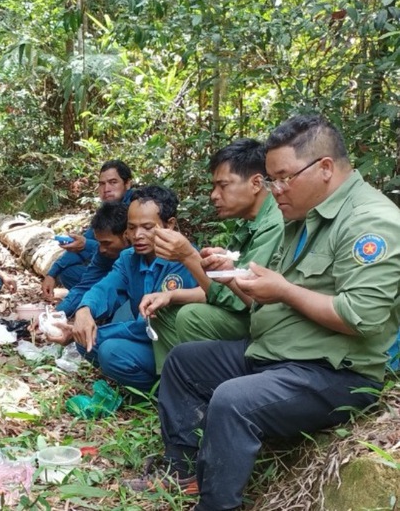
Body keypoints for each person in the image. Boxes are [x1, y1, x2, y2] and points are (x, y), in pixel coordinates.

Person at [128, 115, 400, 511]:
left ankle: (217, 505)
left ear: (324, 168)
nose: (276, 189)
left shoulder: (370, 222)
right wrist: (235, 277)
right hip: (275, 353)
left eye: (284, 177)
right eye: (272, 179)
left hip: (333, 372)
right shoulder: (301, 217)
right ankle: (183, 469)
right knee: (185, 363)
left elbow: (362, 317)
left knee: (232, 400)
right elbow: (265, 293)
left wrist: (284, 291)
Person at [138, 139, 284, 370]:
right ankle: (171, 384)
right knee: (165, 310)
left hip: (271, 321)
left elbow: (238, 300)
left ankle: (206, 389)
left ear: (256, 183)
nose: (214, 195)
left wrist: (188, 256)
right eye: (213, 187)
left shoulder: (274, 223)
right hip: (254, 311)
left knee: (192, 316)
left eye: (222, 185)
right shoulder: (250, 223)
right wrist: (172, 295)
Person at [48, 186, 197, 392]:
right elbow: (105, 287)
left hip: (172, 346)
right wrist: (84, 310)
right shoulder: (129, 258)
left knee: (109, 350)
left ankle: (167, 390)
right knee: (85, 339)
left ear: (169, 225)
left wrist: (88, 332)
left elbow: (149, 326)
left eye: (147, 227)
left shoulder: (184, 261)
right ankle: (149, 383)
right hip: (147, 342)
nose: (138, 235)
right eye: (132, 227)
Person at [42, 160, 134, 296]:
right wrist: (51, 274)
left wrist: (86, 245)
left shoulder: (136, 209)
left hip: (133, 271)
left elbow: (133, 250)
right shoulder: (107, 210)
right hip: (106, 266)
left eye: (113, 182)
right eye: (102, 184)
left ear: (127, 184)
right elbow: (84, 242)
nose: (106, 189)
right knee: (68, 273)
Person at [55, 201, 131, 317]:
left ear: (127, 236)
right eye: (99, 242)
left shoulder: (141, 254)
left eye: (107, 243)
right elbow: (86, 285)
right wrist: (58, 313)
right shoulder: (103, 254)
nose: (102, 249)